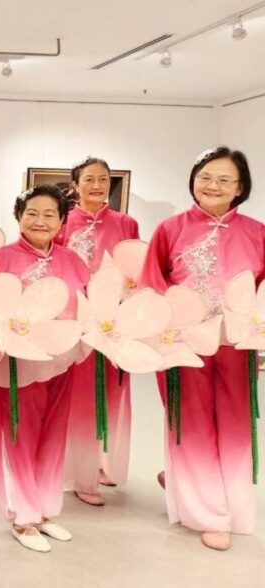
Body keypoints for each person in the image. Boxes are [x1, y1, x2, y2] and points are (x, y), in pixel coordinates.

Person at [141, 147, 264, 551]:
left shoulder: (258, 232)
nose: (213, 185)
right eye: (205, 177)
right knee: (190, 424)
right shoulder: (170, 229)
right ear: (193, 180)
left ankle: (231, 504)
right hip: (184, 343)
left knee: (234, 426)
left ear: (240, 188)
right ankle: (207, 514)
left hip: (236, 343)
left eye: (224, 180)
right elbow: (151, 285)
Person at [0, 185, 89, 553]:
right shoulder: (1, 257)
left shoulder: (73, 260)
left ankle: (44, 509)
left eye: (49, 214)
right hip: (16, 361)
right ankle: (22, 515)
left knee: (52, 434)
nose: (40, 221)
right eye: (32, 213)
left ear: (62, 220)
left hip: (62, 359)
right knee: (19, 435)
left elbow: (86, 306)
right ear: (19, 216)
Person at [58, 157, 141, 507]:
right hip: (75, 317)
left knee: (111, 390)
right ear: (75, 185)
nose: (97, 185)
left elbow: (136, 268)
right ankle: (82, 474)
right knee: (79, 395)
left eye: (103, 179)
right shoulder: (62, 220)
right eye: (89, 179)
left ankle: (104, 463)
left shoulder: (126, 223)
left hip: (114, 321)